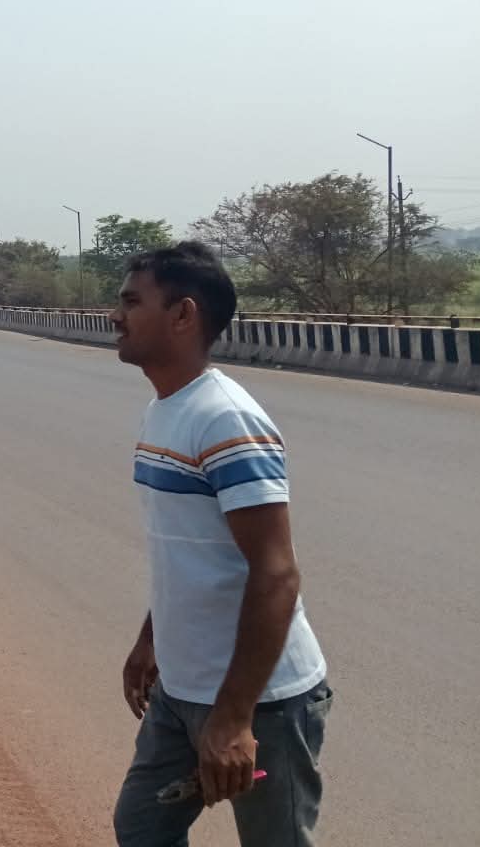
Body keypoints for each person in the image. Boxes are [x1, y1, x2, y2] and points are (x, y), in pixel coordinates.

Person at [110, 242, 332, 846]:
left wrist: (234, 717)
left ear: (183, 314)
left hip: (261, 702)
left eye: (132, 302)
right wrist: (151, 640)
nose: (115, 315)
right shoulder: (165, 410)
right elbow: (189, 552)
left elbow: (276, 573)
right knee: (142, 827)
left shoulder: (225, 420)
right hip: (182, 689)